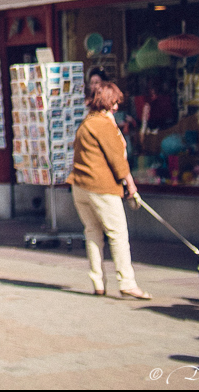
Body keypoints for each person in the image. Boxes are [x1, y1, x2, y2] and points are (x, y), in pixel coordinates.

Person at [66, 80, 151, 300]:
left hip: (80, 186)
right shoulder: (103, 124)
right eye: (114, 102)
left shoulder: (87, 122)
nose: (116, 107)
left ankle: (98, 282)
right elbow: (117, 160)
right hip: (101, 186)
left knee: (93, 233)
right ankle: (127, 283)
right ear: (106, 100)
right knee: (118, 234)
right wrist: (131, 185)